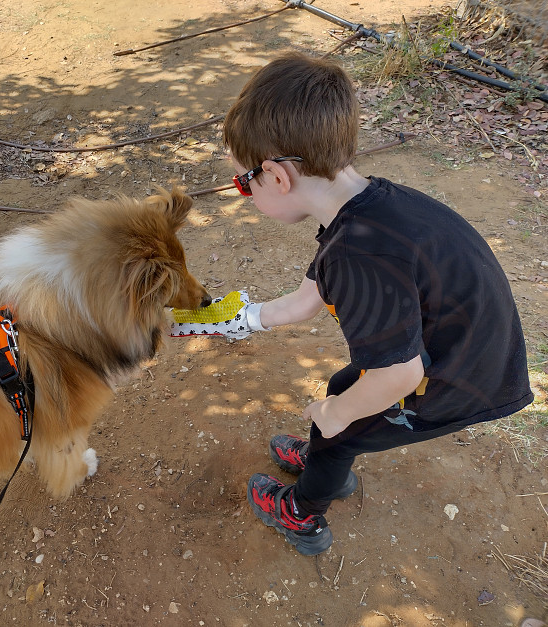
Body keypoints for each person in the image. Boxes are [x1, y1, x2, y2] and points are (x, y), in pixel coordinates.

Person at [173, 52, 533, 556]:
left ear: (277, 177)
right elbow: (305, 300)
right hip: (456, 354)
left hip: (456, 383)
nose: (244, 193)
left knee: (343, 425)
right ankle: (326, 456)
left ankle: (303, 512)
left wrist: (337, 415)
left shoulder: (358, 254)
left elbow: (399, 376)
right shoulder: (367, 207)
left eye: (241, 183)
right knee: (344, 389)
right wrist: (233, 320)